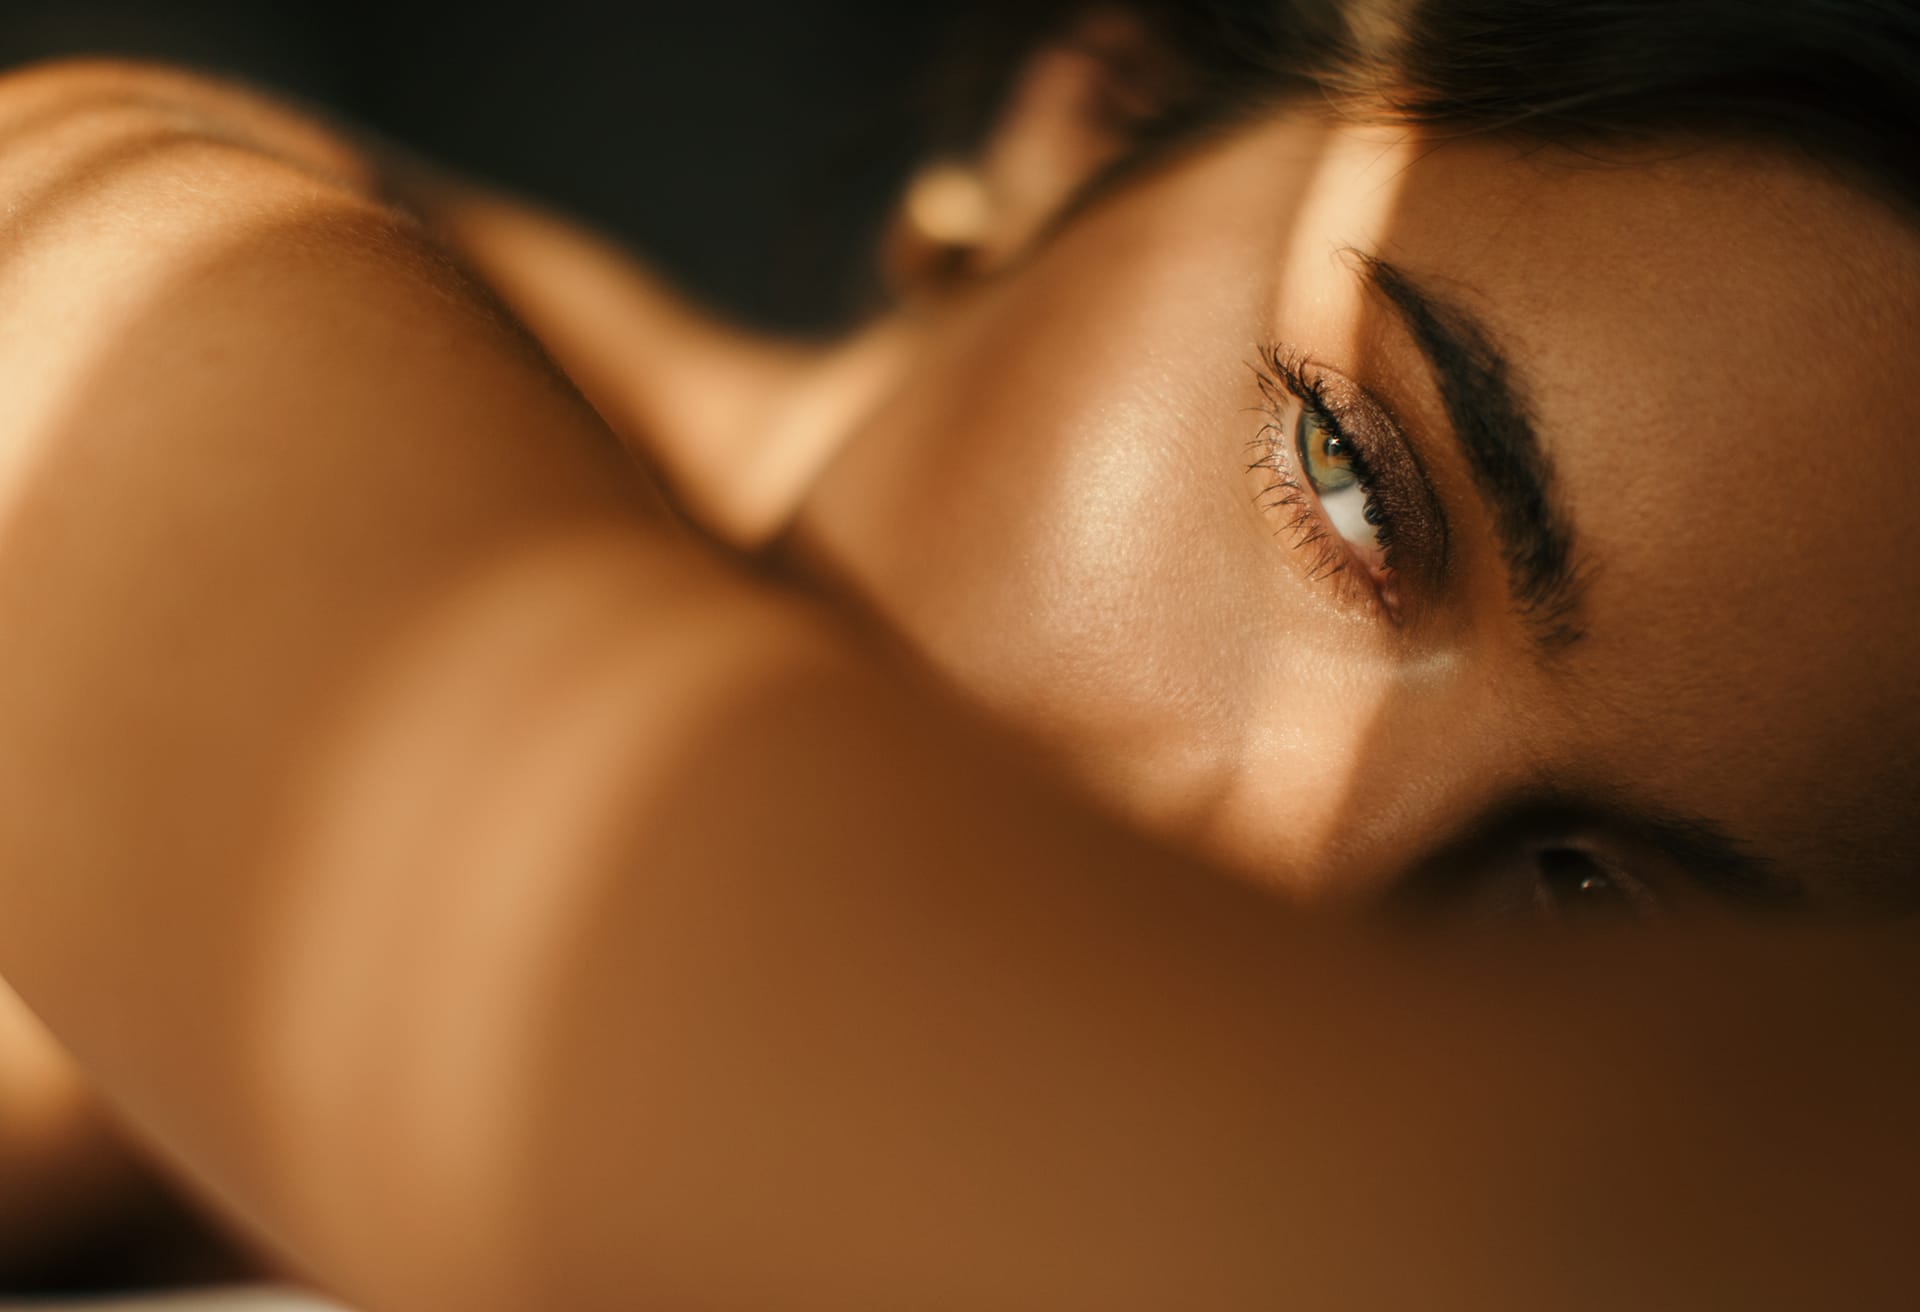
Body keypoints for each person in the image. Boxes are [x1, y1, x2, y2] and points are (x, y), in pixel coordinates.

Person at [0, 0, 1915, 1306]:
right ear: (1094, 104)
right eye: (1349, 483)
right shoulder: (117, 282)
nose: (1292, 875)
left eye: (1586, 895)